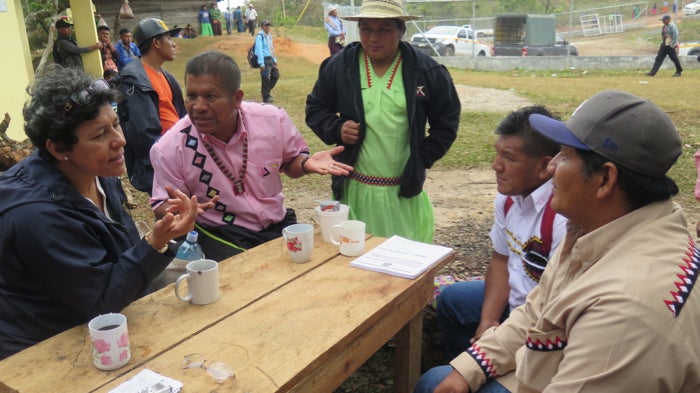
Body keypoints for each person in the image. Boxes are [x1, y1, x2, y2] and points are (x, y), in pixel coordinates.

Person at [415, 90, 700, 393]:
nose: (551, 168)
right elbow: (539, 308)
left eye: (564, 156)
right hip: (558, 355)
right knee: (442, 377)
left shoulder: (627, 312)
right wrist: (470, 368)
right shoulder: (603, 230)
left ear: (605, 179)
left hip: (561, 367)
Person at [0, 65, 206, 359]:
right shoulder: (38, 217)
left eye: (116, 123)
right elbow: (101, 302)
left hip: (99, 318)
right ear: (59, 149)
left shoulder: (97, 171)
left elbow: (117, 258)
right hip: (43, 348)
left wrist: (161, 237)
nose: (119, 140)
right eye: (99, 134)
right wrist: (154, 243)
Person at [149, 51, 353, 261]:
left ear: (237, 98)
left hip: (278, 225)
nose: (198, 107)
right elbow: (162, 205)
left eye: (210, 96)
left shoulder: (273, 120)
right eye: (192, 96)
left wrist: (305, 164)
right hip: (222, 236)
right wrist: (178, 210)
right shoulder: (169, 148)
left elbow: (291, 163)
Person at [305, 0, 460, 243]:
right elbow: (315, 108)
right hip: (355, 190)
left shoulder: (426, 71)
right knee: (356, 259)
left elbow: (447, 123)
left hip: (402, 192)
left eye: (383, 30)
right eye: (366, 29)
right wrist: (336, 127)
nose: (373, 38)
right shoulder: (340, 66)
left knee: (403, 262)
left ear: (401, 31)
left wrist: (421, 158)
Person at [436, 106, 566, 362]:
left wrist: (500, 343)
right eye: (497, 153)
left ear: (544, 166)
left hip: (544, 321)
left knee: (432, 383)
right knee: (452, 300)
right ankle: (466, 364)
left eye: (508, 157)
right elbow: (501, 260)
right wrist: (488, 322)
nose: (496, 166)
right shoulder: (508, 200)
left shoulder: (561, 216)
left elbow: (556, 309)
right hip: (516, 301)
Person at [114, 18, 186, 194]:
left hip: (179, 154)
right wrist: (169, 162)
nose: (174, 44)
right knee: (172, 215)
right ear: (156, 43)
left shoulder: (166, 75)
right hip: (163, 163)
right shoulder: (134, 79)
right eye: (169, 39)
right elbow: (143, 134)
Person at [255, 20, 279, 103]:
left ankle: (265, 91)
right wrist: (261, 63)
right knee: (265, 78)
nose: (268, 27)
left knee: (276, 75)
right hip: (264, 59)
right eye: (266, 25)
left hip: (270, 58)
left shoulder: (269, 35)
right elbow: (259, 50)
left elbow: (271, 47)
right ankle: (266, 97)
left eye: (269, 25)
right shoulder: (259, 36)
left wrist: (274, 59)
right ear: (262, 27)